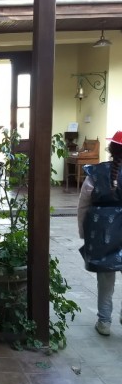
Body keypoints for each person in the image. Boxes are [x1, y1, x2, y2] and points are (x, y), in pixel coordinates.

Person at [78, 130, 122, 337]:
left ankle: (104, 322)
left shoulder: (95, 173)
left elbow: (83, 205)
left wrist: (82, 232)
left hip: (102, 230)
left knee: (106, 278)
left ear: (111, 149)